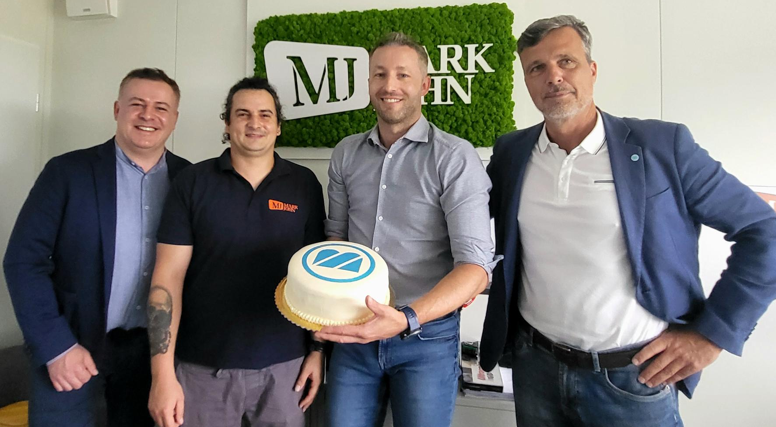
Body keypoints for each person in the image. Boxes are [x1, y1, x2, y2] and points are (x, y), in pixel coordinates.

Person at [479, 15, 776, 427]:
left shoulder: (664, 146)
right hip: (536, 368)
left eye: (566, 62)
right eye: (537, 68)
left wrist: (711, 335)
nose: (553, 76)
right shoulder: (511, 152)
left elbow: (765, 232)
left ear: (591, 70)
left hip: (633, 377)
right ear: (527, 81)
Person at [315, 32, 495, 427]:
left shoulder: (455, 157)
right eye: (379, 74)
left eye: (402, 75)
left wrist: (408, 318)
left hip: (425, 340)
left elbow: (476, 267)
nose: (389, 85)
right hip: (353, 334)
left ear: (425, 85)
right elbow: (337, 240)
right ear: (368, 85)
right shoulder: (346, 153)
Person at [3, 68, 190, 426]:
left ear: (175, 119)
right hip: (72, 347)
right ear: (117, 109)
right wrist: (55, 346)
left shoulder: (191, 180)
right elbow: (23, 261)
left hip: (152, 356)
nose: (148, 115)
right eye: (137, 104)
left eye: (161, 107)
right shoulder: (66, 172)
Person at [147, 76, 326, 427]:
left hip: (285, 369)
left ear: (278, 127)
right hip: (201, 369)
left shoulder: (304, 184)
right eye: (242, 114)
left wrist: (318, 352)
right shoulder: (192, 183)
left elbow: (316, 276)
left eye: (265, 115)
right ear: (227, 124)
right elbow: (167, 278)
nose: (254, 123)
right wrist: (162, 374)